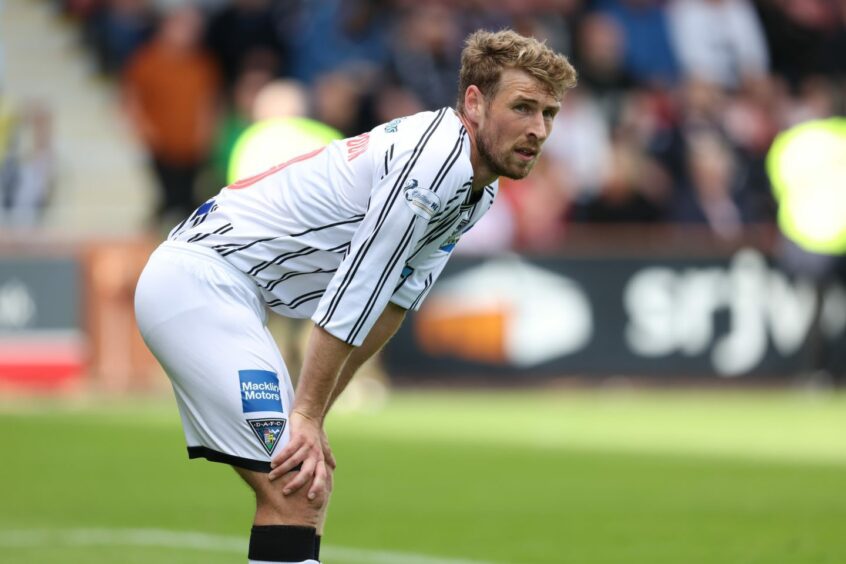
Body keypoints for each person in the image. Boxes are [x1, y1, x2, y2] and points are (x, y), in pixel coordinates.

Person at [134, 29, 576, 564]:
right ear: (475, 102)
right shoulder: (435, 162)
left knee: (305, 484)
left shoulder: (477, 187)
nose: (537, 129)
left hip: (230, 292)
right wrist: (307, 413)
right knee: (295, 485)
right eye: (523, 107)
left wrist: (314, 417)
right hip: (200, 281)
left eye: (548, 113)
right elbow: (356, 290)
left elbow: (392, 305)